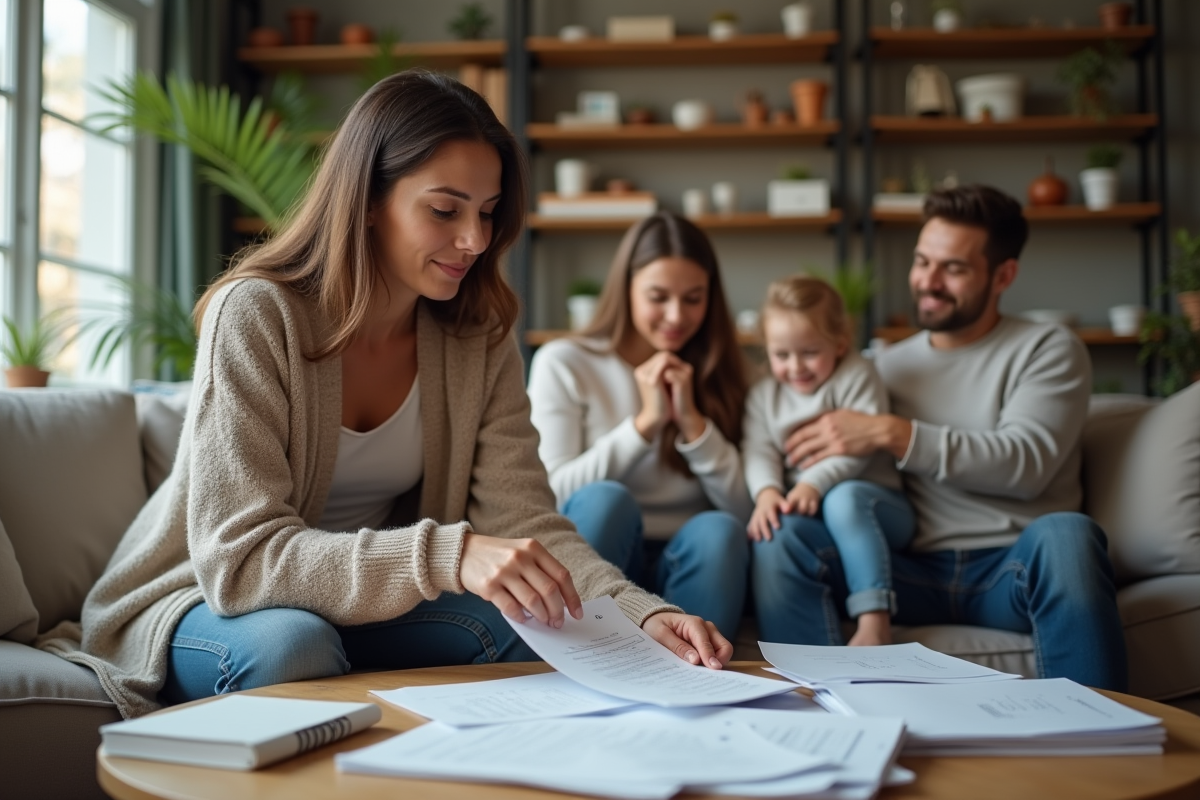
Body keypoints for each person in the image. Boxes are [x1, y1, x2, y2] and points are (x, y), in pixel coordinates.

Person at [41, 72, 731, 720]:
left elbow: (529, 527)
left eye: (488, 213)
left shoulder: (477, 335)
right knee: (294, 646)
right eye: (444, 209)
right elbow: (240, 561)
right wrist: (447, 555)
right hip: (208, 601)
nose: (474, 240)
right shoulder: (257, 313)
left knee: (549, 621)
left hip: (368, 602)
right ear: (368, 201)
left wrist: (640, 614)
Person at [752, 184, 1128, 691]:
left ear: (1004, 275)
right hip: (904, 569)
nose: (928, 282)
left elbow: (1027, 464)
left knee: (1068, 534)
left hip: (1007, 566)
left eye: (953, 268)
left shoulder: (1047, 349)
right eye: (922, 261)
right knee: (782, 534)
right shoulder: (883, 365)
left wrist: (891, 432)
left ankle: (1099, 734)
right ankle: (812, 715)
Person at [526, 212, 753, 640]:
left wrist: (694, 426)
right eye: (657, 296)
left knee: (720, 530)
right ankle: (588, 653)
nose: (675, 316)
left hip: (688, 557)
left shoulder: (731, 373)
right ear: (626, 289)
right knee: (605, 500)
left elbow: (748, 513)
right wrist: (645, 426)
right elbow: (551, 495)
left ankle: (695, 672)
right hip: (600, 554)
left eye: (693, 298)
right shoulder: (565, 361)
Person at [743, 275, 914, 646]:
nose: (795, 367)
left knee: (844, 498)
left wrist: (812, 483)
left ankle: (873, 617)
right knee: (774, 530)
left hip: (879, 509)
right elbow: (758, 449)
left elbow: (859, 448)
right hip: (815, 516)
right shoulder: (764, 395)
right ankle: (800, 665)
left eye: (809, 352)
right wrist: (767, 491)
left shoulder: (857, 375)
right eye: (781, 355)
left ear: (840, 343)